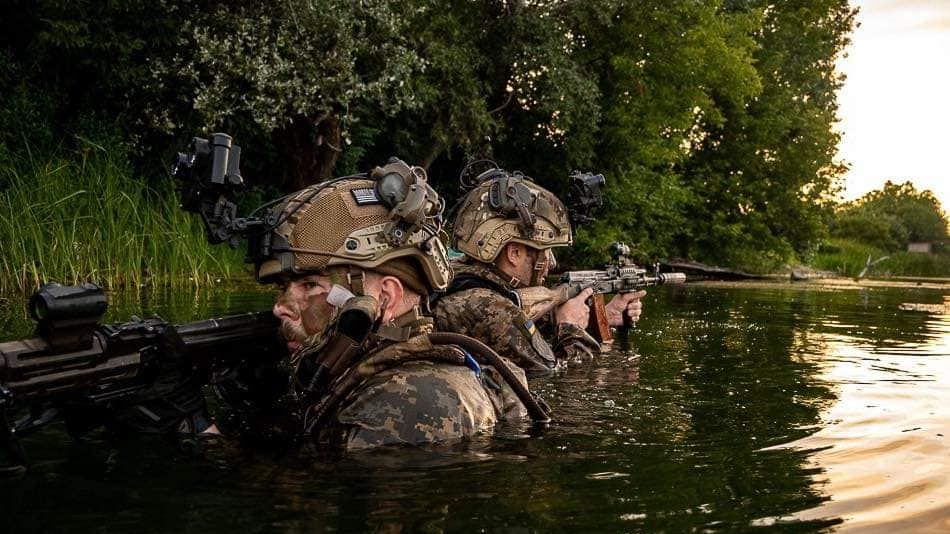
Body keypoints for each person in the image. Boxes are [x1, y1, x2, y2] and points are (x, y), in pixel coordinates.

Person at [254, 159, 535, 450]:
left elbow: (321, 491)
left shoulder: (409, 398)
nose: (280, 308)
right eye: (282, 288)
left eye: (310, 285)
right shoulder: (362, 373)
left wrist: (213, 435)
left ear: (386, 298)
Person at [432, 166, 644, 376]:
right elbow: (558, 375)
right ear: (514, 253)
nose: (552, 263)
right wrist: (570, 327)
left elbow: (531, 331)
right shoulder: (492, 310)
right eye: (546, 251)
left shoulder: (463, 276)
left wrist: (605, 316)